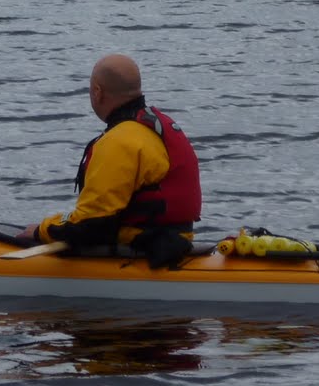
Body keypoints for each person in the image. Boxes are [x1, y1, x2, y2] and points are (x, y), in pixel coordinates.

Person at [20, 54, 201, 268]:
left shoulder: (119, 141)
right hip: (176, 239)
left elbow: (91, 225)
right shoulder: (157, 125)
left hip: (146, 246)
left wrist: (41, 231)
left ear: (97, 92)